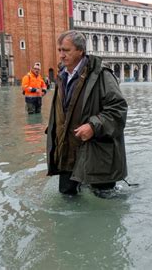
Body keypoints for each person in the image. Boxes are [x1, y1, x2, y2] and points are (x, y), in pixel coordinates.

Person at [46, 30, 128, 196]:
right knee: (67, 198)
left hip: (96, 153)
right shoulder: (62, 76)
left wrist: (93, 126)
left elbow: (118, 109)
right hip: (67, 151)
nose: (61, 55)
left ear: (80, 50)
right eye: (59, 50)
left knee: (103, 204)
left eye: (66, 50)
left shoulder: (102, 75)